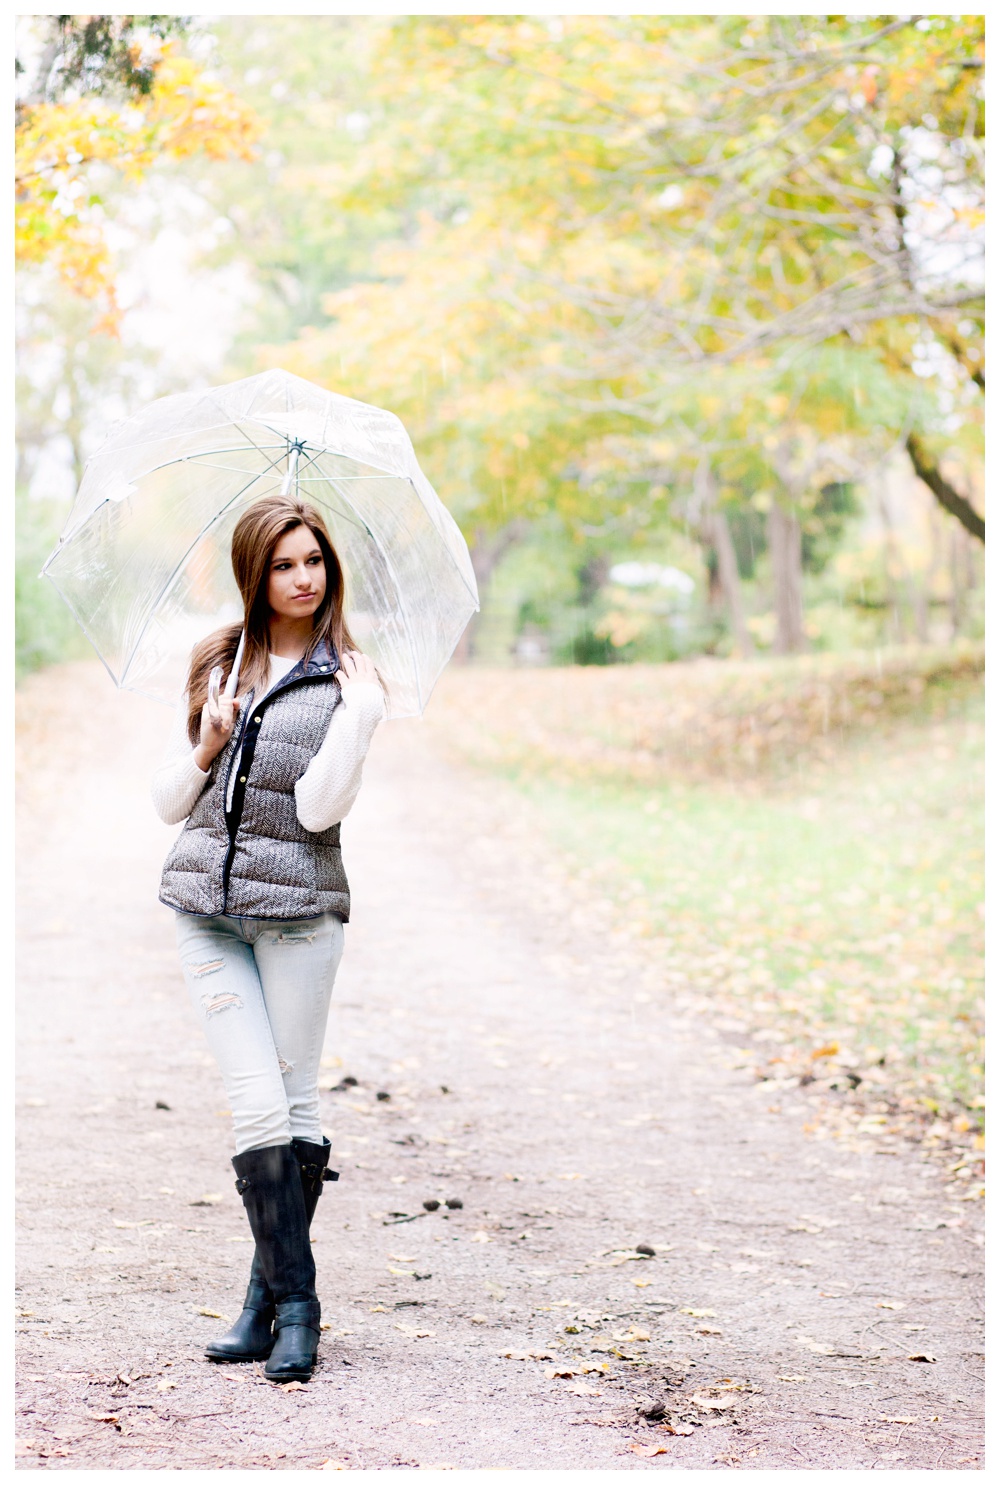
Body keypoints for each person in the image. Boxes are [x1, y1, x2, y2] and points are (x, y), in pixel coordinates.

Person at [151, 495, 385, 1383]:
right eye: (284, 563)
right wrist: (209, 742)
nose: (302, 578)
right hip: (206, 914)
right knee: (258, 1108)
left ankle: (268, 1307)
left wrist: (360, 721)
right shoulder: (218, 660)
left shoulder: (349, 681)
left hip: (298, 919)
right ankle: (297, 1308)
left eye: (314, 561)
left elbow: (320, 811)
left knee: (294, 1110)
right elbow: (168, 801)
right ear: (256, 570)